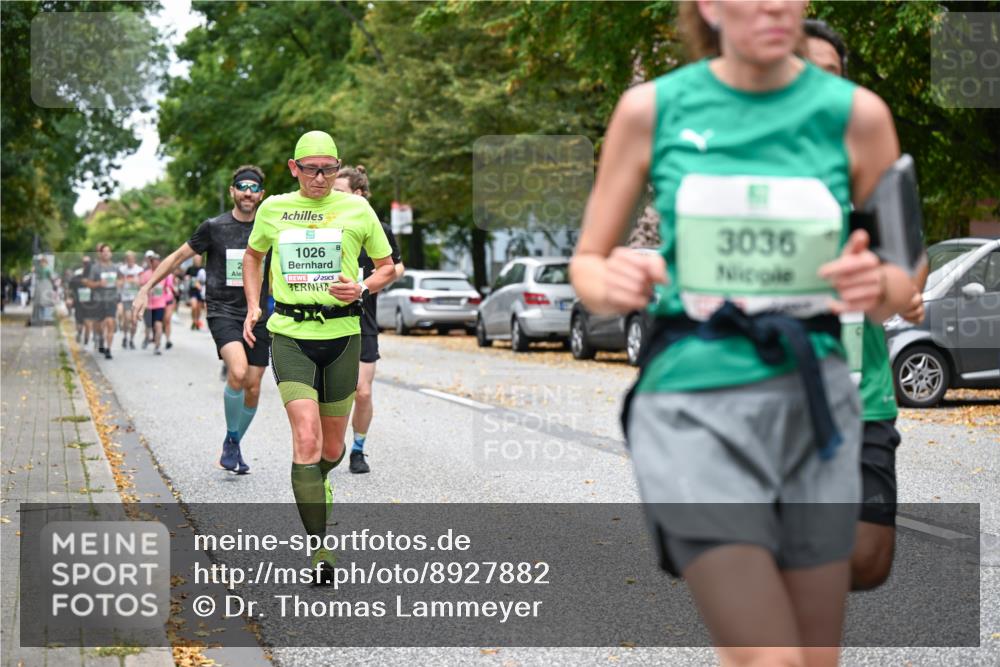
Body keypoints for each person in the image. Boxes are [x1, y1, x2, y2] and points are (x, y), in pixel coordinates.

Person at [569, 2, 919, 664]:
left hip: (815, 407)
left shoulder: (859, 116)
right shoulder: (651, 110)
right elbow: (588, 260)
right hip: (693, 402)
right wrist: (606, 280)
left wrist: (881, 284)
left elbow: (907, 273)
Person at [803, 17, 929, 591]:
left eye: (830, 75)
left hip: (861, 387)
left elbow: (910, 261)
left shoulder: (863, 159)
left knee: (869, 558)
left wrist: (890, 291)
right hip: (764, 385)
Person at [242, 131, 394, 576]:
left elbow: (386, 267)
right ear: (294, 169)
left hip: (343, 335)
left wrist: (363, 286)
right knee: (305, 439)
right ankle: (320, 549)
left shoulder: (357, 208)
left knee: (332, 447)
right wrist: (254, 304)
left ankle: (319, 479)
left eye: (329, 168)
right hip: (289, 334)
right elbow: (253, 257)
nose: (321, 177)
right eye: (311, 169)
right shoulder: (274, 209)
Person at [134, 165, 271, 475]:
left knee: (253, 386)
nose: (247, 192)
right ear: (232, 192)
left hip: (258, 313)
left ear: (262, 195)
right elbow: (176, 258)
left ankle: (232, 442)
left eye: (253, 188)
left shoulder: (270, 227)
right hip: (223, 310)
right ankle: (232, 442)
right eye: (241, 186)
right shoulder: (213, 227)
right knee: (236, 371)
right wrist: (146, 287)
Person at [332, 165, 404, 474]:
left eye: (340, 193)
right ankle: (329, 445)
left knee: (362, 391)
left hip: (363, 320)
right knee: (334, 393)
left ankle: (358, 449)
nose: (333, 198)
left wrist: (369, 283)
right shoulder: (326, 228)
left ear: (358, 195)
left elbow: (397, 267)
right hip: (329, 320)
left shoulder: (378, 228)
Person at [85, 243, 120, 359]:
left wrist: (118, 283)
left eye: (108, 251)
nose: (106, 253)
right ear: (100, 254)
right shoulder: (95, 268)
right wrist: (99, 283)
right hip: (98, 300)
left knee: (110, 323)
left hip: (111, 299)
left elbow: (121, 280)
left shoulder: (115, 267)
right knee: (99, 326)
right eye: (104, 251)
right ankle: (100, 340)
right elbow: (89, 283)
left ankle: (109, 349)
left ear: (111, 254)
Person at [138, 254, 169, 355]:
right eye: (154, 261)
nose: (156, 263)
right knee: (148, 326)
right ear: (151, 263)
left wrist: (167, 292)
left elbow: (167, 286)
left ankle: (157, 346)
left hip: (160, 304)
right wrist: (148, 290)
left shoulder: (163, 274)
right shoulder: (146, 274)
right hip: (148, 305)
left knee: (158, 324)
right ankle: (147, 338)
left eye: (158, 261)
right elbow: (141, 287)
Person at [118, 251, 143, 350]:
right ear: (126, 260)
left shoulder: (139, 270)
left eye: (132, 259)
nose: (130, 261)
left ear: (134, 259)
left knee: (134, 321)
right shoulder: (121, 270)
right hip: (126, 298)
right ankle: (125, 337)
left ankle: (131, 339)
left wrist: (137, 282)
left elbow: (142, 283)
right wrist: (125, 281)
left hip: (135, 298)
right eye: (128, 259)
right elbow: (118, 283)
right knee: (127, 319)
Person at [186, 254, 206, 330]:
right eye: (196, 259)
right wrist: (187, 278)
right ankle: (193, 320)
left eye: (198, 259)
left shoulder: (203, 269)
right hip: (192, 290)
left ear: (201, 260)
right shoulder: (190, 269)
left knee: (198, 308)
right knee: (193, 306)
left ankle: (197, 321)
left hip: (201, 291)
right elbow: (185, 276)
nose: (197, 260)